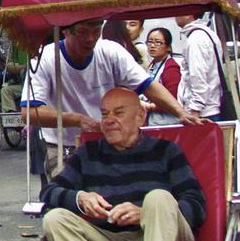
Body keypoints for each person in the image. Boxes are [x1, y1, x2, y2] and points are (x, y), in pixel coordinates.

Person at [21, 18, 201, 177]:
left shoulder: (111, 52)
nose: (90, 39)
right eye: (83, 32)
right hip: (64, 148)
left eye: (96, 31)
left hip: (110, 143)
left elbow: (148, 85)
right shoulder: (44, 58)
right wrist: (77, 120)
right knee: (69, 203)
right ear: (66, 31)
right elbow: (28, 111)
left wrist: (180, 113)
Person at [41, 88, 204, 241]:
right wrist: (80, 199)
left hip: (160, 234)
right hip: (109, 237)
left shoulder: (166, 151)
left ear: (140, 117)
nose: (109, 120)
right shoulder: (88, 154)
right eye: (105, 114)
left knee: (158, 198)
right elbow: (48, 192)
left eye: (118, 113)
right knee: (54, 219)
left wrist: (147, 215)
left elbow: (196, 205)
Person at [175, 12, 223, 121]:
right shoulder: (207, 33)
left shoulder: (195, 39)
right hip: (209, 108)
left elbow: (198, 76)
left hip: (203, 113)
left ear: (188, 14)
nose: (175, 15)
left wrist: (195, 110)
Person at [143, 28, 182, 126]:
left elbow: (172, 99)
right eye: (150, 42)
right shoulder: (152, 65)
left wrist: (148, 106)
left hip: (167, 122)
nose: (152, 45)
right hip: (154, 121)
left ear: (168, 47)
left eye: (158, 42)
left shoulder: (171, 67)